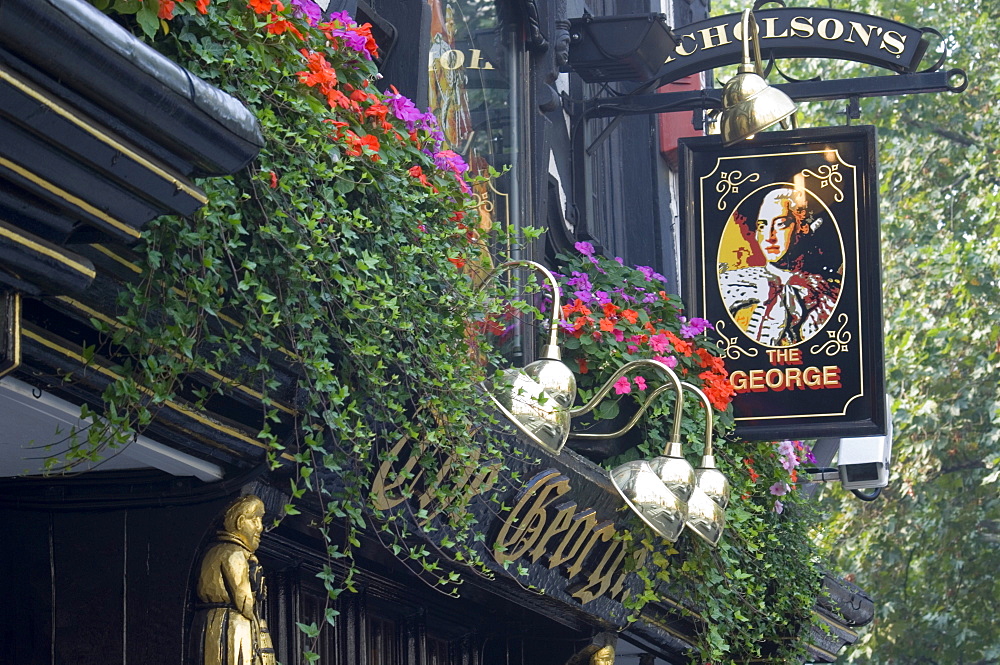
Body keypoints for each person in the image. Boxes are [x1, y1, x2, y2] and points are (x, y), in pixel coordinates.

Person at [718, 186, 842, 346]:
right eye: (762, 226)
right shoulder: (733, 285)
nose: (769, 236)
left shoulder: (826, 295)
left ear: (802, 228)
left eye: (781, 224)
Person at [190, 495, 275, 665]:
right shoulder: (234, 553)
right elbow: (244, 601)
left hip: (209, 621)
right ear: (240, 522)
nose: (260, 527)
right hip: (231, 623)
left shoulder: (216, 550)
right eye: (255, 520)